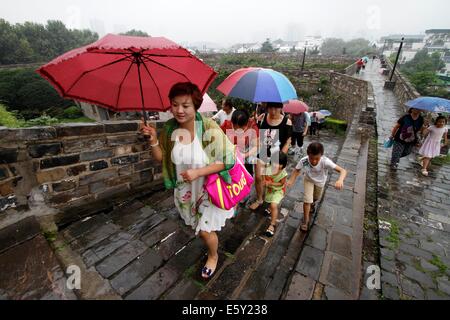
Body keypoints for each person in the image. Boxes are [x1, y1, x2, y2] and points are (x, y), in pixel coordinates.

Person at [140, 82, 236, 279]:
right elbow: (162, 158)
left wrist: (199, 172)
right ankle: (211, 249)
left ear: (195, 105)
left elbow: (228, 160)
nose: (179, 110)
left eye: (185, 105)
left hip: (208, 189)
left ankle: (213, 255)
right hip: (186, 191)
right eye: (175, 105)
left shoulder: (208, 127)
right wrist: (153, 140)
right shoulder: (169, 128)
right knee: (197, 227)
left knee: (205, 231)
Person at [287, 142, 347, 231]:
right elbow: (296, 170)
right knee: (307, 200)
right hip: (308, 180)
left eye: (317, 159)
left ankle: (313, 203)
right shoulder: (304, 160)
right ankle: (305, 221)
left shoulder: (325, 161)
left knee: (315, 198)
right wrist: (291, 180)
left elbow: (342, 170)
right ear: (308, 154)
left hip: (320, 182)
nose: (314, 161)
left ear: (321, 155)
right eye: (311, 158)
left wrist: (340, 180)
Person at [248, 102, 292, 210]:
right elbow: (259, 135)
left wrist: (281, 157)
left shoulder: (287, 122)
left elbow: (288, 141)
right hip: (262, 152)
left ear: (280, 108)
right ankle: (259, 199)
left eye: (275, 109)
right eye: (270, 109)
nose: (272, 112)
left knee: (271, 179)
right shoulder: (263, 118)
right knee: (258, 177)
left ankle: (272, 199)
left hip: (276, 154)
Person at [220, 109, 259, 176]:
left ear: (247, 123)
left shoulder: (252, 126)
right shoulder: (226, 124)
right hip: (230, 158)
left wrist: (244, 155)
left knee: (246, 179)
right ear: (232, 122)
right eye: (235, 128)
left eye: (241, 129)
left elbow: (256, 146)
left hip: (245, 156)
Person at [263, 152, 288, 237]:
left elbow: (281, 184)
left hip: (278, 190)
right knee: (270, 202)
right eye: (275, 163)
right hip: (269, 189)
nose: (277, 165)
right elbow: (264, 176)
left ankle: (272, 224)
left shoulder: (283, 173)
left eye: (280, 164)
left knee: (274, 205)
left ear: (283, 164)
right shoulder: (268, 168)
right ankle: (270, 208)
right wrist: (265, 181)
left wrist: (271, 183)